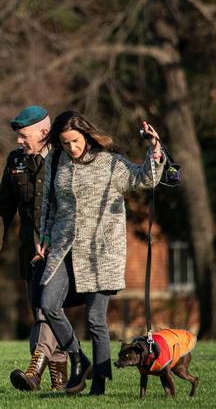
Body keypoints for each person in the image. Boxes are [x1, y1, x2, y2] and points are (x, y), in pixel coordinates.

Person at [36, 110, 165, 396]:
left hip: (101, 253)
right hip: (63, 248)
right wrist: (43, 236)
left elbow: (143, 179)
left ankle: (99, 385)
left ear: (86, 134)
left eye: (76, 141)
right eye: (66, 143)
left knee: (96, 320)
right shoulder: (56, 161)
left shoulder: (110, 162)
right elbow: (48, 204)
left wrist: (154, 151)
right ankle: (78, 357)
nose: (72, 148)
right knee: (47, 302)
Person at [0, 105, 68, 391]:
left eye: (24, 135)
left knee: (46, 309)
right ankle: (62, 382)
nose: (19, 141)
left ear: (44, 132)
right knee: (40, 312)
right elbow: (3, 206)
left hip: (61, 251)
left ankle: (34, 372)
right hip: (30, 252)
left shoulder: (65, 157)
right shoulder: (16, 161)